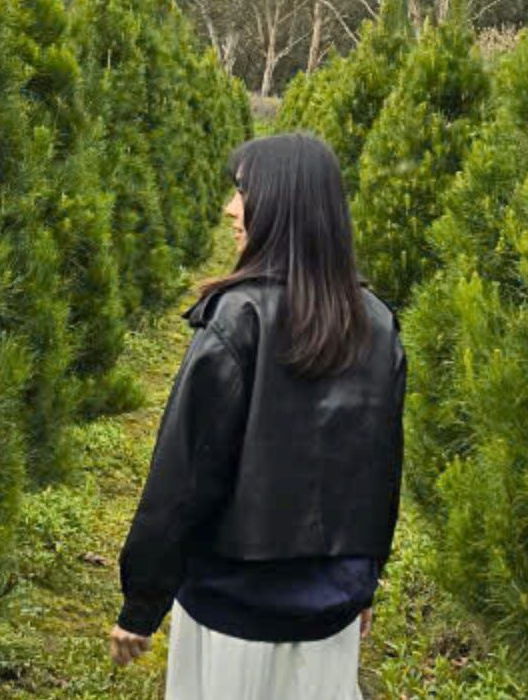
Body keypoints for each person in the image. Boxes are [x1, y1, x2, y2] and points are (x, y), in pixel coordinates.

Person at [108, 132, 406, 700]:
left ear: (282, 204)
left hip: (233, 607)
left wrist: (142, 602)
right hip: (328, 612)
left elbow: (183, 476)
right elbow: (378, 473)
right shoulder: (376, 322)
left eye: (242, 192)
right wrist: (364, 582)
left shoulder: (238, 317)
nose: (229, 209)